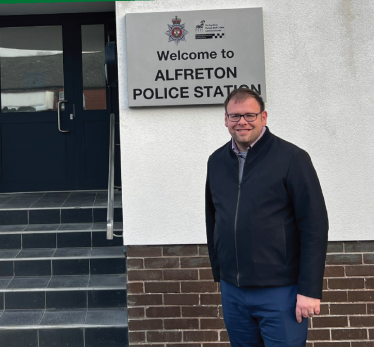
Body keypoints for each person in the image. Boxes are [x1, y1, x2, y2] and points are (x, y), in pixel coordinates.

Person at [205, 87, 328, 347]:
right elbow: (213, 218)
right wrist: (220, 271)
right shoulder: (216, 161)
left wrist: (309, 290)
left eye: (250, 115)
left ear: (264, 117)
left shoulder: (292, 159)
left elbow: (315, 226)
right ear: (225, 119)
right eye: (235, 116)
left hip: (280, 291)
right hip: (233, 291)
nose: (242, 122)